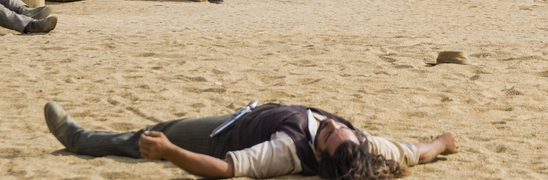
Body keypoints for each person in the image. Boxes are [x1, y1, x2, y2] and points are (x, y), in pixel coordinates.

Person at [43, 100, 459, 179]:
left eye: (329, 134)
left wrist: (171, 153)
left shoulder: (287, 152)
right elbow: (414, 153)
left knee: (155, 134)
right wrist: (442, 142)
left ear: (318, 153)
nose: (333, 127)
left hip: (221, 136)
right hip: (254, 111)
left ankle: (80, 140)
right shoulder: (364, 146)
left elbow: (227, 169)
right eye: (338, 129)